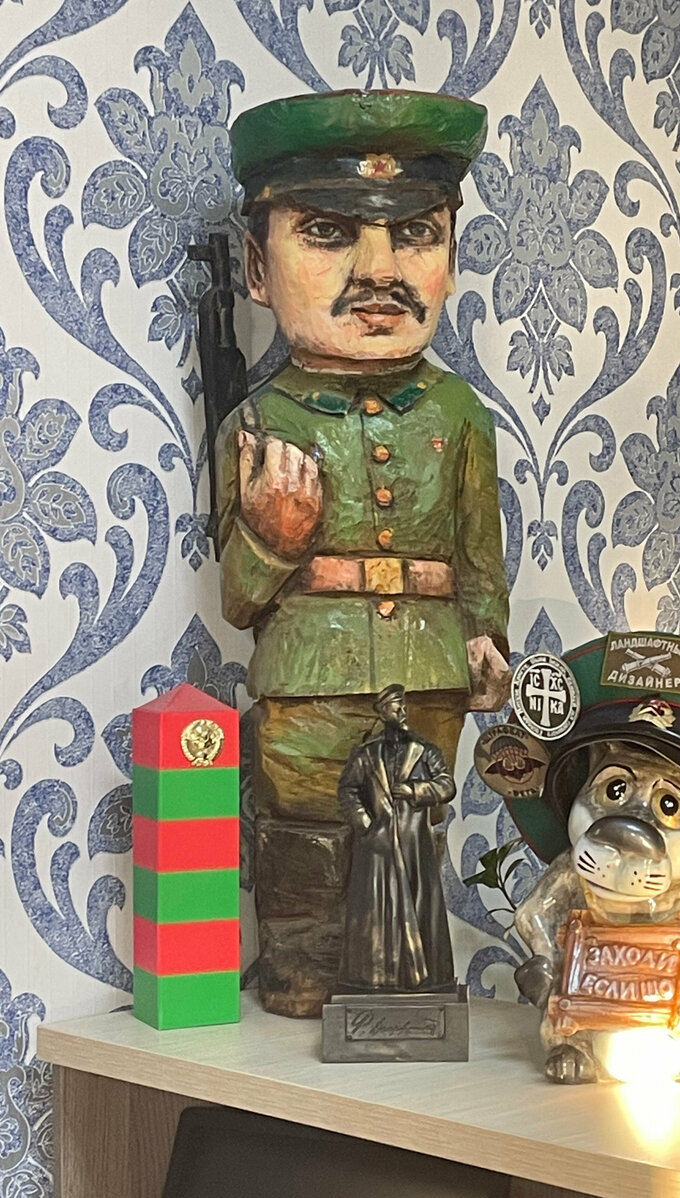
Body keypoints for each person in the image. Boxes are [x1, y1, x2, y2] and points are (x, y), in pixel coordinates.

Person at [214, 90, 510, 1016]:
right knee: (304, 827)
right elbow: (237, 599)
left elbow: (479, 544)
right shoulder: (258, 420)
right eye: (329, 233)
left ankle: (409, 974)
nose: (380, 270)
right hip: (308, 672)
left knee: (418, 820)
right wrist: (272, 538)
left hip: (430, 668)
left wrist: (486, 633)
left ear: (452, 257)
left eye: (415, 233)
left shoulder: (459, 413)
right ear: (258, 267)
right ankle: (303, 968)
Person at [338, 685, 456, 991]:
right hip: (377, 846)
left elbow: (447, 785)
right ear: (382, 712)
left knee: (419, 906)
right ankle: (378, 977)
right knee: (378, 910)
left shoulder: (425, 750)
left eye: (403, 705)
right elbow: (348, 790)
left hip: (414, 844)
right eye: (395, 707)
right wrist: (366, 825)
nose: (402, 712)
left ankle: (422, 977)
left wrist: (415, 791)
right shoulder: (366, 754)